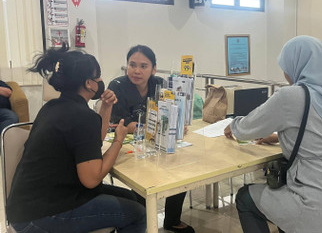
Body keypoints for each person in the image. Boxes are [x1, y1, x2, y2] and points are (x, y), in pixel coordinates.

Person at [224, 36, 322, 233]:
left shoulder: (291, 96)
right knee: (282, 202)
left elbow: (247, 127)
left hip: (320, 202)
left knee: (245, 198)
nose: (284, 72)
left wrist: (233, 124)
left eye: (286, 65)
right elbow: (321, 134)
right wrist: (277, 137)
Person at [6, 46, 146, 232]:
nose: (101, 81)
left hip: (32, 203)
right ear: (89, 83)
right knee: (138, 213)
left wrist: (106, 107)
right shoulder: (80, 116)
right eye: (98, 76)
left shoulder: (53, 107)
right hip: (38, 216)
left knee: (133, 198)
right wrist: (118, 141)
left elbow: (93, 142)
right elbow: (92, 178)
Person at [108, 45, 194, 233]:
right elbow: (121, 123)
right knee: (142, 182)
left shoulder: (160, 84)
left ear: (154, 69)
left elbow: (170, 109)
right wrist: (147, 128)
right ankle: (142, 219)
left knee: (180, 172)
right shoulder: (117, 86)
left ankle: (172, 219)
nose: (137, 70)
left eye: (143, 66)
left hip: (158, 142)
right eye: (132, 65)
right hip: (129, 145)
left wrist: (176, 122)